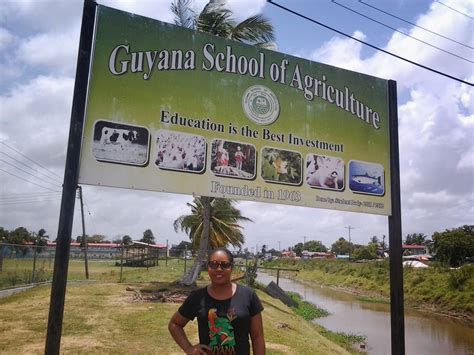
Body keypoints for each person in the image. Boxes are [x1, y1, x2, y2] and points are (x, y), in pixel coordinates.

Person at [169, 248, 265, 355]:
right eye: (213, 264)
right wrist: (189, 348)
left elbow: (257, 337)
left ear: (231, 267)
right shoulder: (197, 297)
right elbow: (175, 324)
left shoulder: (248, 295)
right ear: (208, 267)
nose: (219, 269)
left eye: (224, 265)